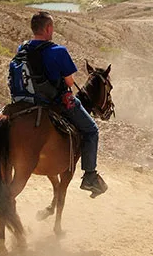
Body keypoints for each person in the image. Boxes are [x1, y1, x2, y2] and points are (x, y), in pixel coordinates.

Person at [16, 11, 108, 196]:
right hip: (55, 102)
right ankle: (90, 175)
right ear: (48, 28)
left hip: (27, 101)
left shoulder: (22, 48)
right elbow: (68, 82)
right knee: (91, 130)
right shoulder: (58, 51)